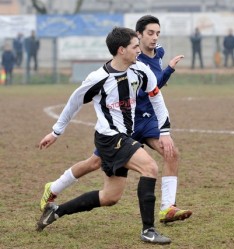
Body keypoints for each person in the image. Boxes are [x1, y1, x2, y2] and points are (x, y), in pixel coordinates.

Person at [39, 15, 192, 224]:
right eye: (149, 33)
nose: (154, 38)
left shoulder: (153, 58)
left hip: (145, 121)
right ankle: (55, 187)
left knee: (170, 153)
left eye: (158, 33)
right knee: (95, 164)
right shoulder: (114, 70)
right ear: (136, 37)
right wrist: (56, 131)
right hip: (117, 128)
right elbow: (76, 101)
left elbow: (155, 90)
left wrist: (165, 130)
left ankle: (167, 208)